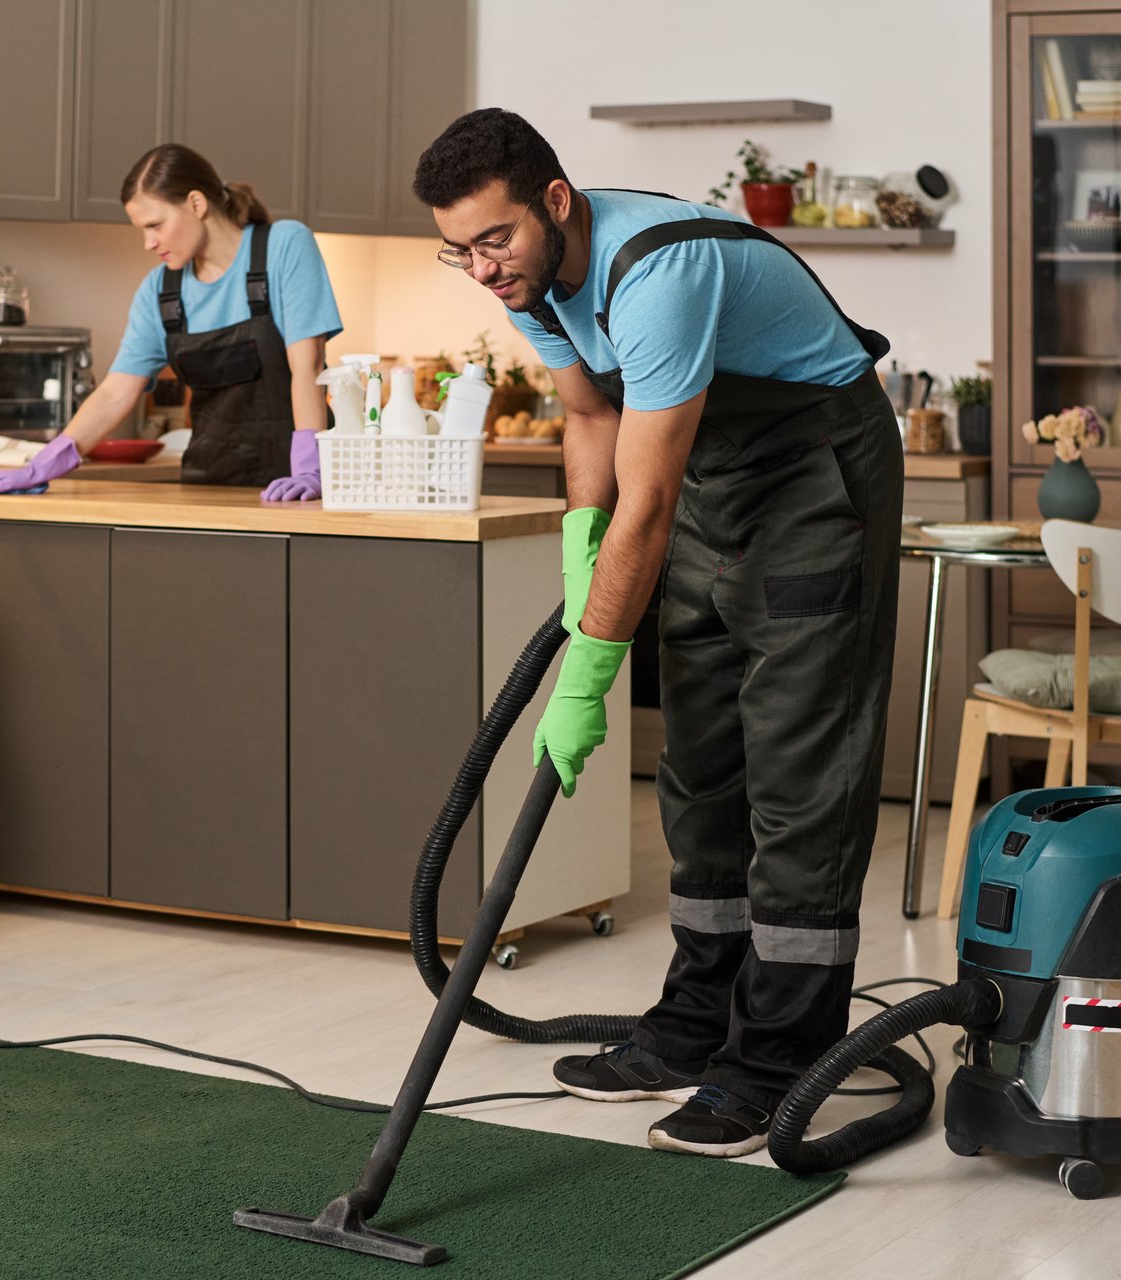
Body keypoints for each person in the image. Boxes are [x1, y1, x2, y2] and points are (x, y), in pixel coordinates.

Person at [413, 109, 901, 1159]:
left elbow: (652, 496)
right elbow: (590, 417)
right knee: (702, 758)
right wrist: (580, 550)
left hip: (814, 471)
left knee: (796, 761)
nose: (480, 267)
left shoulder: (659, 274)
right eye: (459, 248)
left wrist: (589, 667)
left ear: (555, 201)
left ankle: (775, 1059)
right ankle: (694, 1024)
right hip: (716, 479)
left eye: (493, 238)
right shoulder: (530, 283)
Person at [0, 144, 341, 500]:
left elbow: (306, 364)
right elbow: (116, 392)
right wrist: (41, 465)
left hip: (299, 488)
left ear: (196, 204)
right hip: (209, 486)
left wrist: (309, 469)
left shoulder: (284, 245)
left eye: (155, 225)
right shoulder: (161, 291)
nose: (149, 243)